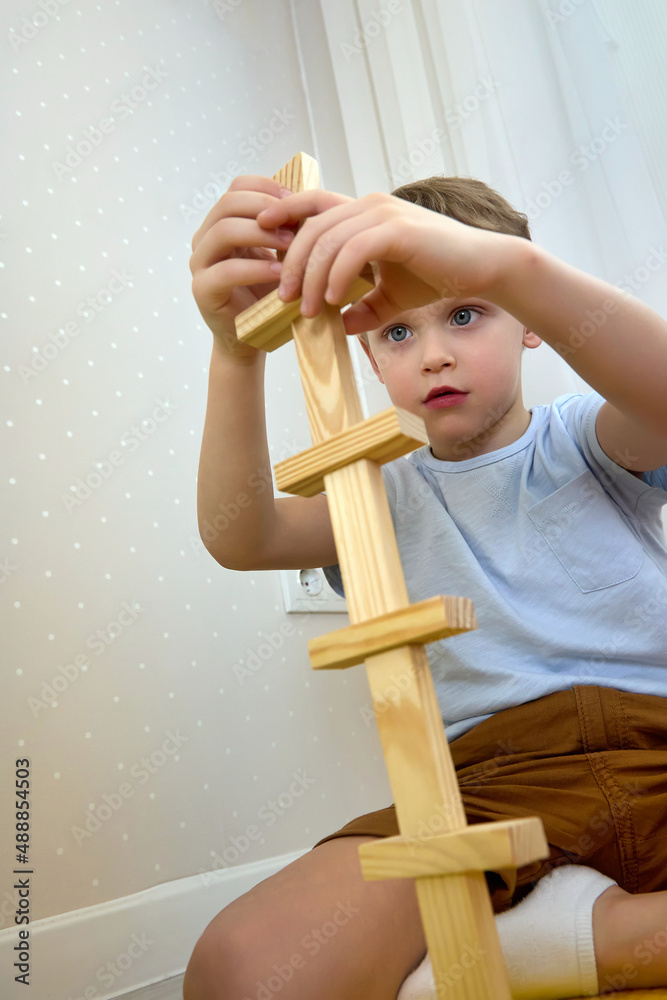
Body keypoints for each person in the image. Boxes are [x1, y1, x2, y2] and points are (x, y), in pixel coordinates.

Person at [183, 168, 667, 1000]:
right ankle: (584, 930)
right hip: (483, 790)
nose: (434, 351)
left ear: (531, 327)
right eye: (397, 334)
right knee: (243, 968)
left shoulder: (587, 442)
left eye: (465, 312)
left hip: (655, 746)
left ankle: (560, 936)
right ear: (367, 356)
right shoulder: (375, 499)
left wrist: (510, 267)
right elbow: (242, 533)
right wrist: (234, 350)